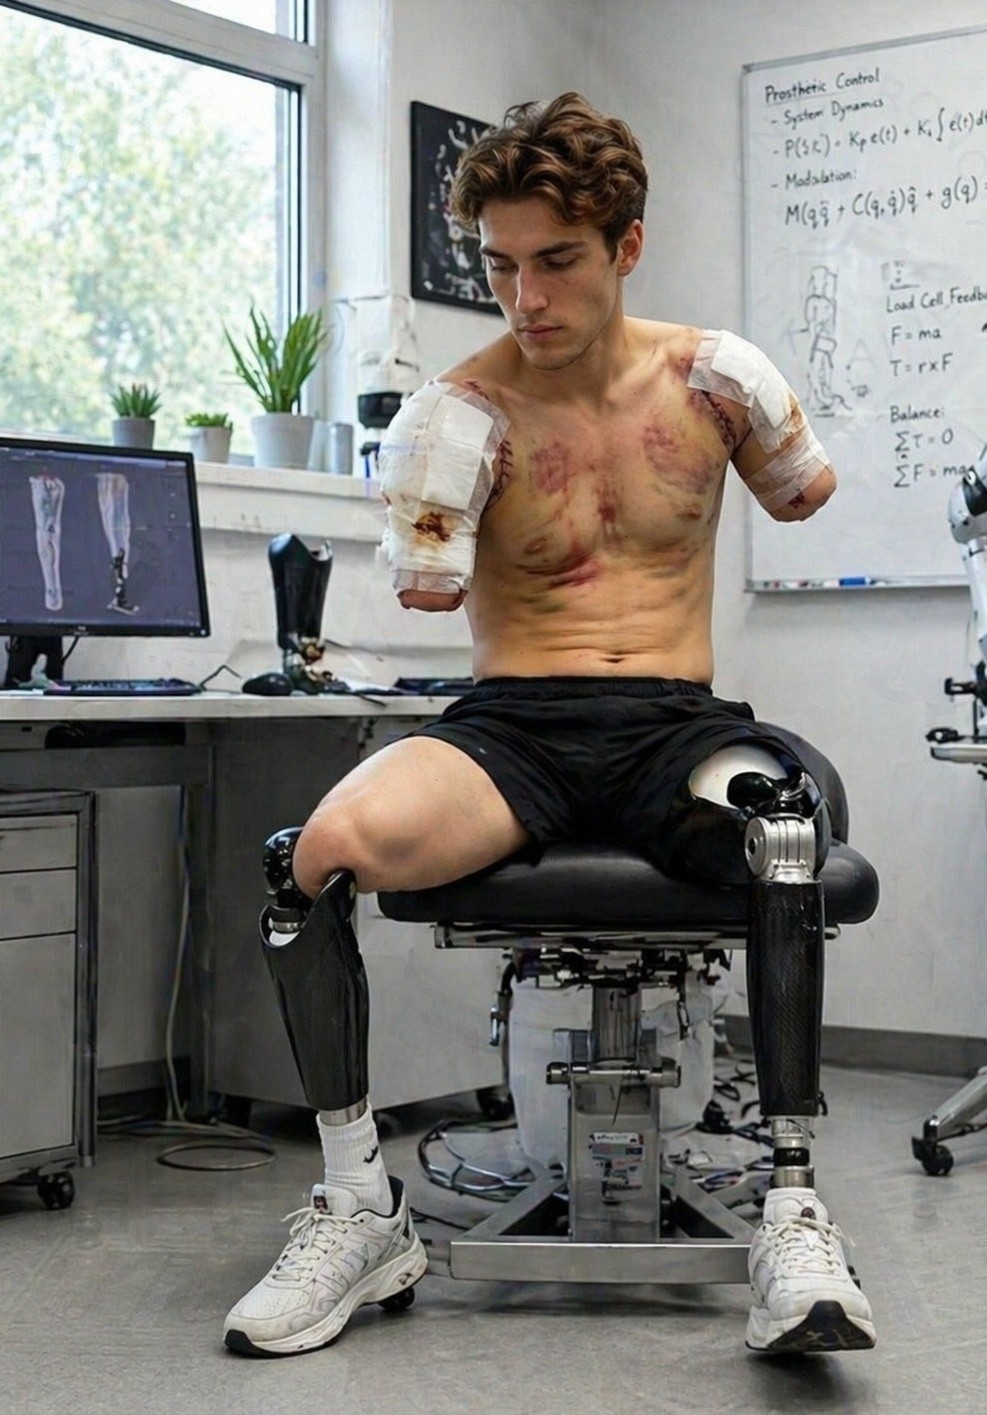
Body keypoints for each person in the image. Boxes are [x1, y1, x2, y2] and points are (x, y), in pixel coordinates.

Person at [224, 92, 876, 1359]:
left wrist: (759, 407)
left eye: (557, 260)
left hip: (673, 728)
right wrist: (427, 485)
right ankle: (358, 1205)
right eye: (500, 265)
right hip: (511, 728)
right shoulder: (456, 410)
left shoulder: (712, 381)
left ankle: (792, 1212)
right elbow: (426, 586)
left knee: (782, 831)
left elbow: (801, 494)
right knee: (314, 850)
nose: (525, 297)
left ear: (626, 245)